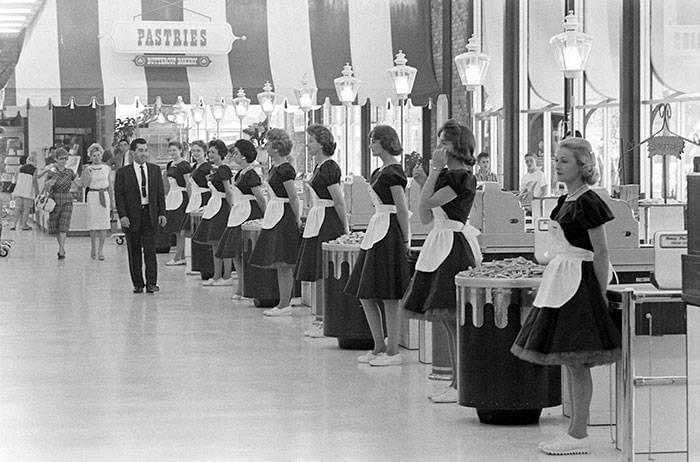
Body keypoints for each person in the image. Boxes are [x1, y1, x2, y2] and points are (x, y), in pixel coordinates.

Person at [511, 137, 620, 456]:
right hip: (562, 279)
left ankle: (579, 433)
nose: (557, 164)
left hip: (579, 282)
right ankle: (575, 431)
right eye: (556, 159)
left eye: (564, 161)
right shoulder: (565, 200)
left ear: (582, 166)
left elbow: (600, 251)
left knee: (576, 360)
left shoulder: (587, 201)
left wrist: (599, 294)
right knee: (571, 362)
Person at [402, 119, 482, 401]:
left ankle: (460, 383)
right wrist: (427, 179)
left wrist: (433, 173)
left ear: (457, 147)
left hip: (453, 247)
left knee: (454, 319)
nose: (438, 148)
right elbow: (424, 216)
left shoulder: (463, 178)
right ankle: (455, 381)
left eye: (443, 143)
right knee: (449, 323)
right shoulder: (448, 177)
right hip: (439, 241)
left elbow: (428, 204)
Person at [344, 125, 411, 366]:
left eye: (373, 141)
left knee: (389, 294)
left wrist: (405, 239)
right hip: (377, 228)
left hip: (389, 231)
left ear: (384, 142)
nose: (370, 145)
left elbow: (402, 208)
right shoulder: (379, 171)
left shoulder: (394, 172)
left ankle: (392, 350)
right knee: (366, 292)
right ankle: (378, 345)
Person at [294, 124, 349, 336]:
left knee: (324, 270)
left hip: (327, 220)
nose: (308, 143)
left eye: (312, 140)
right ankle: (320, 318)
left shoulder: (329, 168)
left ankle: (326, 319)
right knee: (318, 270)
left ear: (322, 143)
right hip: (318, 217)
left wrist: (345, 227)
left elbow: (339, 201)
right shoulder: (319, 167)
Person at [249, 128, 301, 316]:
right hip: (276, 213)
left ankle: (285, 303)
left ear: (277, 147)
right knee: (281, 262)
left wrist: (296, 218)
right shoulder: (276, 168)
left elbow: (293, 197)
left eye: (269, 143)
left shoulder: (285, 170)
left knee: (284, 262)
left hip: (284, 215)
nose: (266, 146)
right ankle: (284, 301)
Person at [114, 138, 166, 294]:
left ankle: (152, 283)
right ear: (132, 153)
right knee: (134, 250)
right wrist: (122, 215)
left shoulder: (155, 170)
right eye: (140, 150)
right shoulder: (123, 173)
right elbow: (119, 195)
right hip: (132, 216)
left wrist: (162, 213)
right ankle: (138, 283)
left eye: (145, 150)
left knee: (150, 250)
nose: (144, 154)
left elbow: (159, 193)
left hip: (150, 214)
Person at [215, 140, 266, 298]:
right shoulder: (240, 173)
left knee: (244, 250)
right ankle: (242, 287)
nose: (233, 156)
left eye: (236, 153)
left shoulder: (250, 174)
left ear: (244, 155)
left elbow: (260, 197)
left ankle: (248, 288)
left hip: (249, 212)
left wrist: (265, 216)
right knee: (236, 251)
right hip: (239, 211)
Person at [192, 140, 234, 286]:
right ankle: (217, 274)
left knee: (222, 242)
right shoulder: (214, 169)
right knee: (214, 242)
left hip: (222, 206)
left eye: (213, 152)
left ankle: (227, 275)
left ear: (220, 154)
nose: (210, 155)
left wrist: (232, 207)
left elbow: (228, 191)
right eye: (209, 152)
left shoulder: (223, 169)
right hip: (213, 204)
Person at [45, 148, 81, 259]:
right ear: (56, 159)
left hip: (67, 199)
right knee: (56, 226)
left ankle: (61, 250)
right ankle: (61, 246)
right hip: (54, 200)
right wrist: (50, 183)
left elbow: (79, 183)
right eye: (61, 158)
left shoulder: (70, 172)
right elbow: (46, 187)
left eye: (65, 158)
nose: (64, 161)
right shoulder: (51, 172)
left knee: (63, 226)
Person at [81, 143, 114, 260]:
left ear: (101, 155)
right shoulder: (87, 169)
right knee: (93, 223)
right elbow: (84, 185)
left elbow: (109, 185)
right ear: (90, 156)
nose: (96, 157)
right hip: (93, 195)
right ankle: (93, 247)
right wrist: (88, 176)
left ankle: (101, 250)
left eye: (98, 155)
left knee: (103, 224)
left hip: (104, 195)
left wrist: (112, 201)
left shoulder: (107, 168)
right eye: (94, 155)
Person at [162, 141, 192, 266]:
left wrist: (191, 201)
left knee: (181, 229)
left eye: (174, 150)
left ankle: (178, 257)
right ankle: (181, 256)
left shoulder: (184, 165)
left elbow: (188, 183)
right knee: (175, 228)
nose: (172, 153)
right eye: (170, 150)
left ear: (180, 150)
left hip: (182, 197)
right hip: (172, 197)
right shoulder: (170, 164)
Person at [10, 152, 39, 231]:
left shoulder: (21, 168)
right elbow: (34, 182)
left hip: (19, 189)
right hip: (28, 190)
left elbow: (16, 179)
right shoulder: (35, 169)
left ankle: (14, 224)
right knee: (26, 208)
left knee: (17, 207)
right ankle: (23, 225)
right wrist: (37, 192)